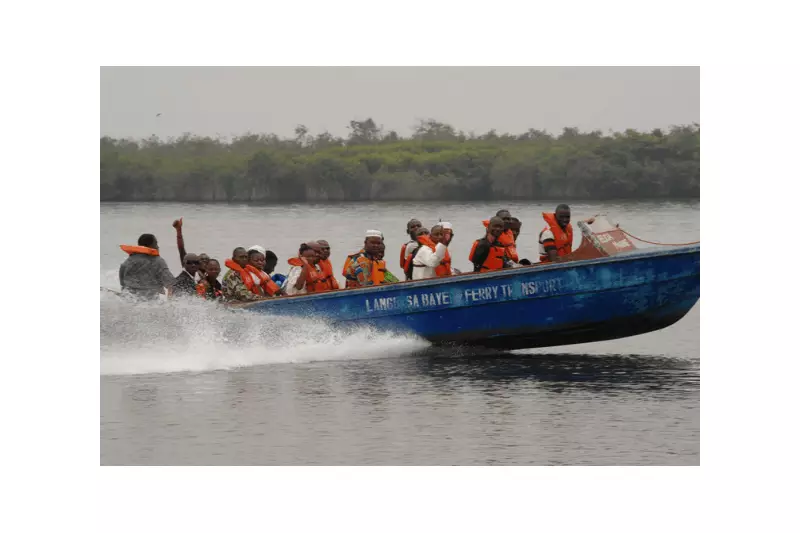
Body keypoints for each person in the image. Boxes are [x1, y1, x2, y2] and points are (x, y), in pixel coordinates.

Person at [119, 233, 175, 300]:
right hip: (149, 303)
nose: (158, 247)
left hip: (128, 299)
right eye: (156, 244)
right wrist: (170, 303)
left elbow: (122, 283)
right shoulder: (158, 261)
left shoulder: (128, 261)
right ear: (150, 245)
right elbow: (171, 284)